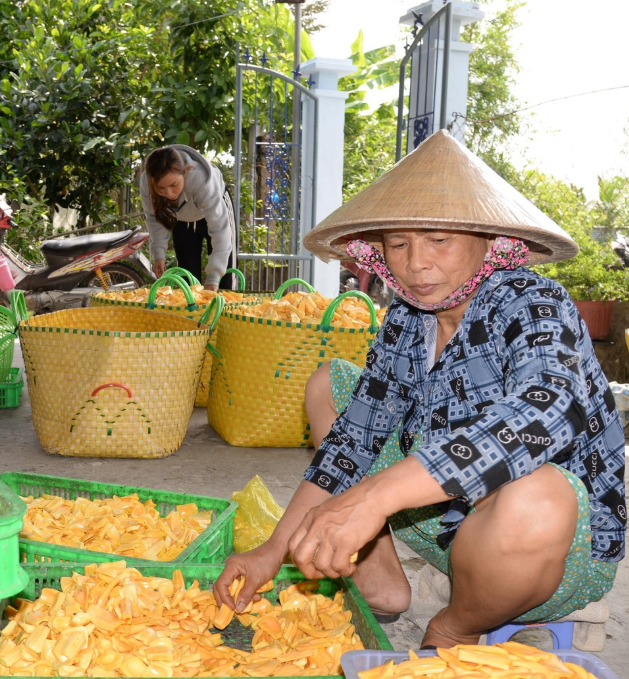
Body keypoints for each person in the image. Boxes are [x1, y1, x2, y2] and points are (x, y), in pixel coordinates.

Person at [214, 131, 624, 648]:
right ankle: (382, 580)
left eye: (439, 240)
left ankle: (456, 624)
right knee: (331, 386)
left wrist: (373, 498)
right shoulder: (407, 319)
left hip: (549, 546)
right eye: (399, 244)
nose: (416, 264)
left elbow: (546, 411)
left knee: (535, 498)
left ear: (489, 241)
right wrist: (271, 550)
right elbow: (353, 440)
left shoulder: (533, 302)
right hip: (444, 528)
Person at [139, 145, 235, 291]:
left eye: (174, 185)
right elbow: (154, 217)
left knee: (224, 279)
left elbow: (220, 230)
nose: (170, 193)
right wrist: (159, 254)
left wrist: (214, 277)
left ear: (185, 172)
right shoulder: (147, 183)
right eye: (161, 189)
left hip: (213, 210)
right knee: (188, 278)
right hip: (181, 216)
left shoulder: (203, 183)